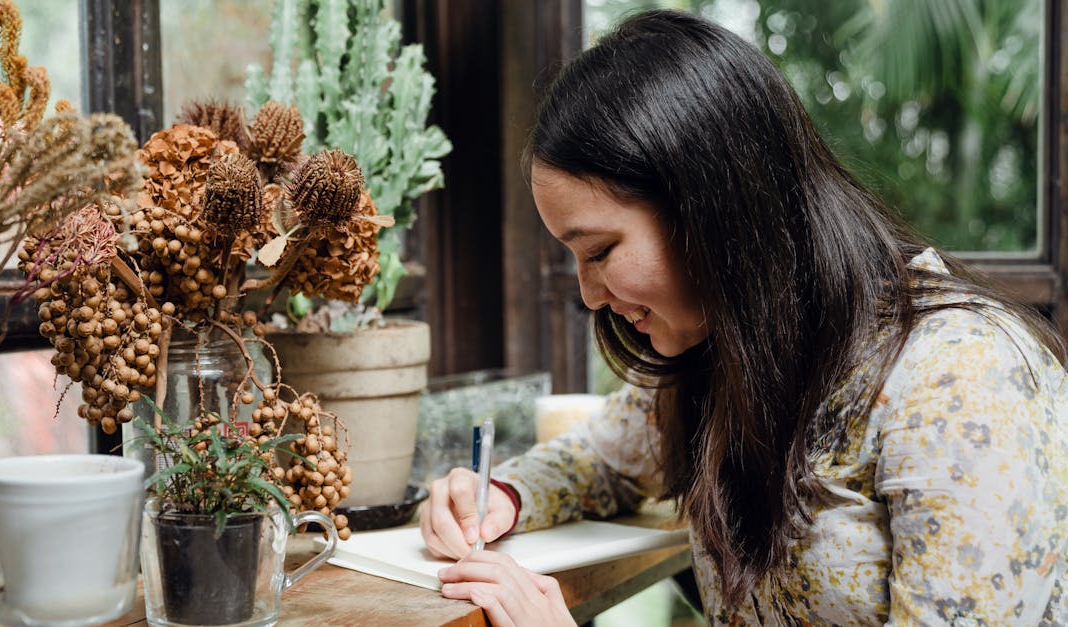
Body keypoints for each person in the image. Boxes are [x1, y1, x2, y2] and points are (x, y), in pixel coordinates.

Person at [418, 8, 1068, 626]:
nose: (589, 295)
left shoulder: (962, 381)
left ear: (709, 206)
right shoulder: (717, 352)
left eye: (601, 250)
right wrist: (500, 496)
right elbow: (604, 459)